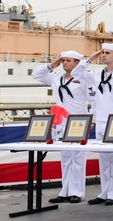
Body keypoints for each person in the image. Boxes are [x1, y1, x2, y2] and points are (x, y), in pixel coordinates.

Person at [33, 50, 91, 203]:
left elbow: (94, 99)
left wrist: (92, 120)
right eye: (63, 60)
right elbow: (36, 75)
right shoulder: (56, 77)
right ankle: (65, 190)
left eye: (68, 60)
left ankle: (77, 192)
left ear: (77, 63)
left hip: (78, 121)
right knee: (65, 157)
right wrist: (52, 65)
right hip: (61, 121)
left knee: (78, 157)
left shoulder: (83, 79)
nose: (65, 62)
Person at [85, 43, 113, 205]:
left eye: (107, 53)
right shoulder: (97, 74)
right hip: (101, 120)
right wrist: (92, 57)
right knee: (103, 159)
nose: (103, 55)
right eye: (102, 52)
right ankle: (104, 192)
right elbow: (78, 72)